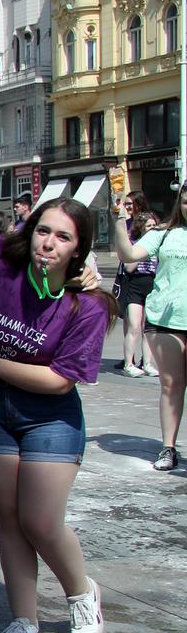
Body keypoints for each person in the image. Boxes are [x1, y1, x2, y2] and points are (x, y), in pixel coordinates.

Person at [0, 198, 115, 633]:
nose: (49, 244)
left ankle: (81, 594)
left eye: (63, 237)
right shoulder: (4, 267)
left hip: (51, 419)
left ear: (79, 250)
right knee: (9, 522)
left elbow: (58, 381)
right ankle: (23, 619)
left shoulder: (88, 305)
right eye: (43, 231)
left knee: (40, 520)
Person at [111, 188, 187, 470]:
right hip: (165, 320)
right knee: (171, 385)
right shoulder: (164, 233)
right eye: (186, 200)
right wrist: (119, 221)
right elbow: (129, 253)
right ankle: (168, 448)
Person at [111, 192, 158, 379]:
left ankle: (147, 363)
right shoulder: (138, 240)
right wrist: (142, 252)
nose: (153, 229)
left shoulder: (156, 241)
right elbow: (129, 265)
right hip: (134, 283)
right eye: (150, 226)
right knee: (133, 326)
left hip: (152, 284)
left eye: (131, 204)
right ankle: (128, 362)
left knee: (148, 327)